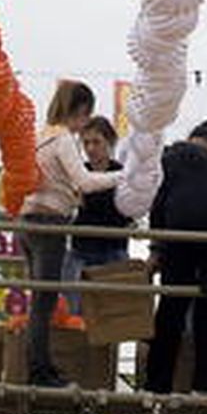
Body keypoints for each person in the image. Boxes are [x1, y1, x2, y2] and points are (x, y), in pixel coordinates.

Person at [19, 80, 120, 387]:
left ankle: (40, 366)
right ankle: (38, 371)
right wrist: (126, 175)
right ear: (78, 110)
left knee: (40, 300)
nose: (84, 124)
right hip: (49, 224)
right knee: (44, 302)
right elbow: (86, 181)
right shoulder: (62, 139)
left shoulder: (41, 136)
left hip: (28, 221)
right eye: (85, 115)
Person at [144, 119, 207, 395]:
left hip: (182, 224)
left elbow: (159, 205)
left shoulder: (170, 158)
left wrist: (156, 249)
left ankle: (157, 385)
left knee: (172, 306)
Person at [64, 115, 132, 313]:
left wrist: (86, 202)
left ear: (110, 143)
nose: (91, 148)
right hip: (81, 251)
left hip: (113, 250)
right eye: (86, 143)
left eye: (96, 142)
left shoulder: (122, 173)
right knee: (75, 313)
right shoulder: (79, 172)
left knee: (111, 315)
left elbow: (127, 213)